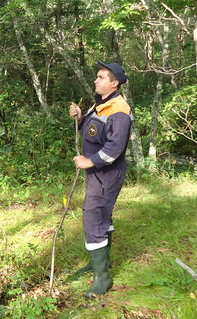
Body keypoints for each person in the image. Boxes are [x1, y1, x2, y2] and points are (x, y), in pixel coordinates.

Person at [68, 61, 132, 298]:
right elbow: (93, 133)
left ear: (114, 83)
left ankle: (102, 278)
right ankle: (99, 265)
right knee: (102, 215)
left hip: (107, 173)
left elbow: (115, 147)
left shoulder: (119, 110)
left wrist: (90, 161)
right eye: (97, 76)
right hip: (97, 174)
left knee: (94, 217)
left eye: (101, 77)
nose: (96, 80)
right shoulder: (101, 106)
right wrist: (79, 118)